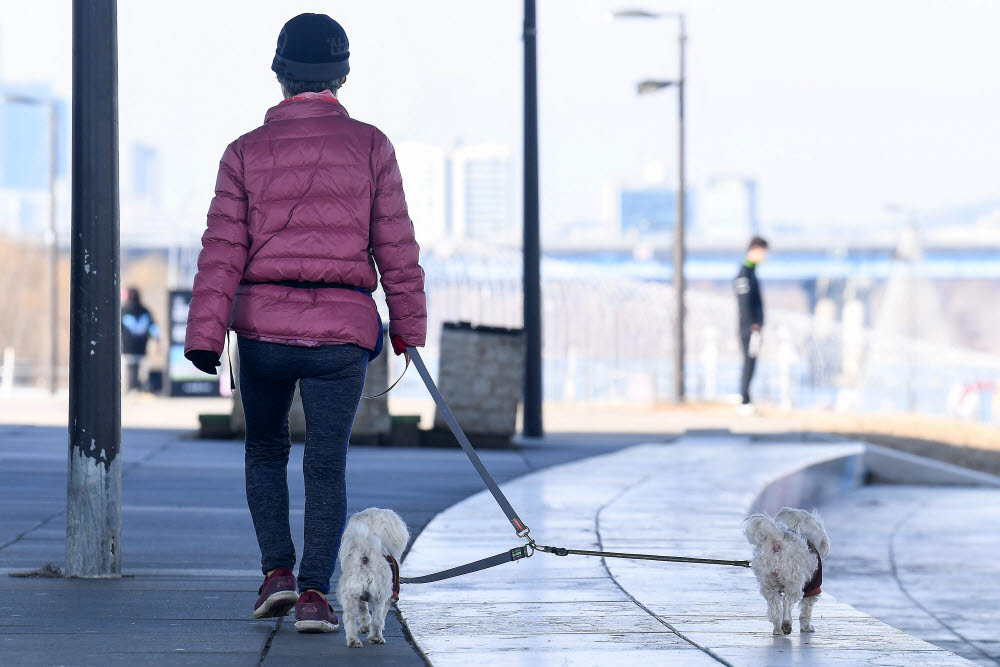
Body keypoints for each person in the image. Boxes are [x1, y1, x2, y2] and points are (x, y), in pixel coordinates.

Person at [183, 13, 426, 634]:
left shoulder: (243, 152)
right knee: (327, 463)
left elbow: (222, 251)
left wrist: (206, 333)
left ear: (279, 74)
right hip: (342, 335)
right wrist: (407, 327)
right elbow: (395, 244)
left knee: (265, 451)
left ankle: (276, 576)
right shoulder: (372, 146)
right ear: (342, 75)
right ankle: (317, 595)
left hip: (262, 330)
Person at [734, 237, 768, 412]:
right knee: (749, 362)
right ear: (754, 249)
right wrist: (752, 325)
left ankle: (747, 397)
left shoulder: (752, 271)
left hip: (753, 327)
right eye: (763, 251)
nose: (765, 256)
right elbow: (744, 303)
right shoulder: (745, 273)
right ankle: (744, 400)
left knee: (752, 362)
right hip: (748, 328)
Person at [120, 287, 160, 392]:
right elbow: (153, 328)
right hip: (141, 346)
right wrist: (157, 340)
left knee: (128, 369)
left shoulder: (123, 310)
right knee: (140, 370)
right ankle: (138, 388)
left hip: (126, 346)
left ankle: (129, 389)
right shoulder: (145, 310)